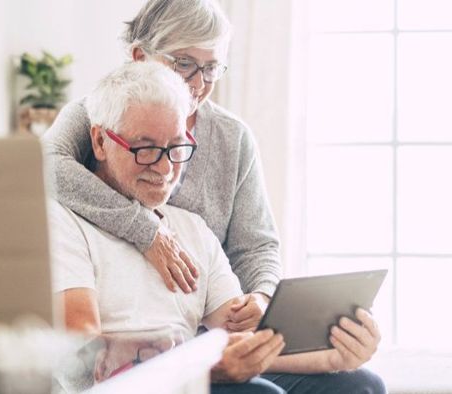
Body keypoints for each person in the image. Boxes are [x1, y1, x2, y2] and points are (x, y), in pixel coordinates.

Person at [49, 61, 385, 394]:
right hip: (124, 386)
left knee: (360, 385)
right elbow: (80, 355)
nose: (166, 168)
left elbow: (245, 342)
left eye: (177, 147)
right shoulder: (64, 222)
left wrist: (334, 355)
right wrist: (197, 363)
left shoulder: (191, 229)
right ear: (99, 142)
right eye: (147, 148)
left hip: (189, 375)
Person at [43, 0, 277, 332]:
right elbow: (46, 169)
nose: (197, 84)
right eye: (184, 64)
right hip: (132, 337)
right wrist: (147, 230)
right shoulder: (99, 115)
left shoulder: (233, 138)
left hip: (212, 325)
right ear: (139, 58)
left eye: (211, 68)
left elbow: (257, 246)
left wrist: (263, 297)